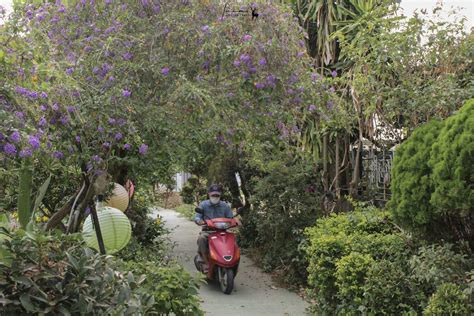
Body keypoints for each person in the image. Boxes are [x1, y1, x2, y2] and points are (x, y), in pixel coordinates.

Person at [195, 184, 233, 272]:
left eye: (217, 195)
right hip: (208, 231)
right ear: (209, 194)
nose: (215, 197)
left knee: (233, 238)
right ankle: (205, 262)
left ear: (220, 195)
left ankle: (231, 260)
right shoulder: (203, 205)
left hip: (222, 231)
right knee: (201, 239)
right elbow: (197, 217)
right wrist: (199, 221)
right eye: (213, 195)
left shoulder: (225, 206)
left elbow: (230, 218)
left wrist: (235, 221)